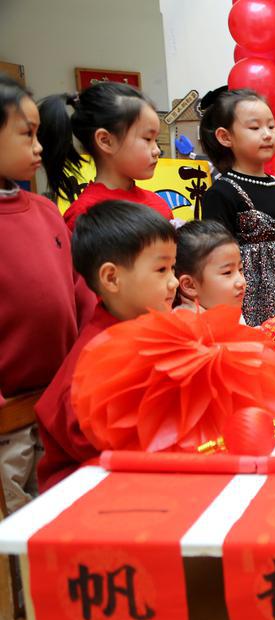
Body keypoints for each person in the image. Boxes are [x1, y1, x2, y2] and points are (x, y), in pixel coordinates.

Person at [0, 75, 95, 511]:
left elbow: (77, 290)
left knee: (55, 513)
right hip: (7, 417)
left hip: (55, 401)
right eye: (26, 134)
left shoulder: (43, 211)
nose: (39, 148)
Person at [35, 201, 178, 489]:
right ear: (112, 278)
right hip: (87, 497)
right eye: (161, 269)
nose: (174, 282)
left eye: (173, 268)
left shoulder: (146, 327)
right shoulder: (90, 367)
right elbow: (104, 453)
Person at [200, 88, 275, 326]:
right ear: (225, 137)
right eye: (255, 128)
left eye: (271, 126)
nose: (267, 134)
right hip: (250, 300)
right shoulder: (222, 192)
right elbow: (216, 257)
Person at [38, 82, 171, 229]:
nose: (157, 150)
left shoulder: (158, 205)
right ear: (105, 141)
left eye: (156, 140)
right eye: (147, 139)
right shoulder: (85, 216)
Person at [174, 220, 246, 312]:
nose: (241, 282)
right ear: (190, 285)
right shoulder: (185, 325)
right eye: (227, 272)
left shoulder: (227, 311)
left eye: (240, 269)